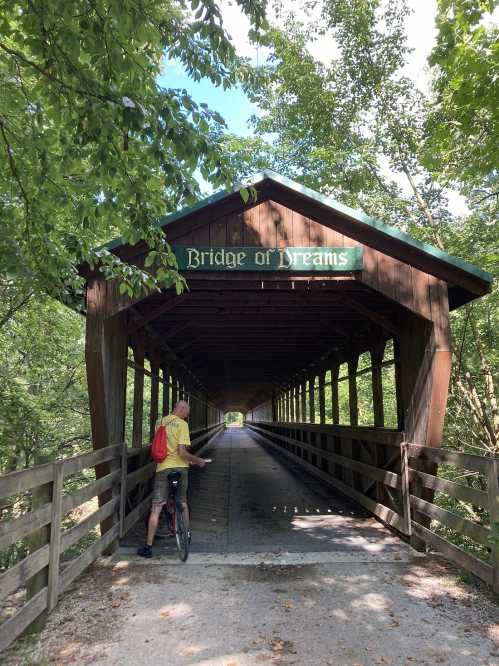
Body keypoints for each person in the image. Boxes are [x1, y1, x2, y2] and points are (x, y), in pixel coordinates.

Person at [137, 400, 208, 558]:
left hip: (163, 468)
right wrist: (198, 460)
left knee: (156, 508)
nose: (187, 415)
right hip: (180, 469)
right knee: (182, 502)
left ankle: (148, 547)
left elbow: (160, 445)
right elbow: (182, 453)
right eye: (187, 412)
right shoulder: (182, 425)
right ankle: (187, 534)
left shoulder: (159, 422)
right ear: (181, 409)